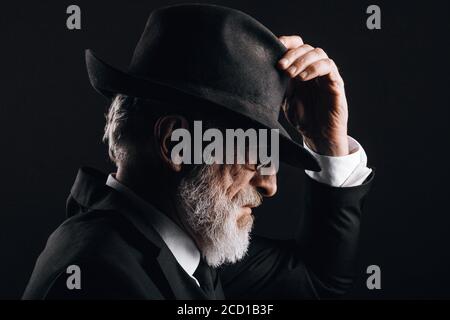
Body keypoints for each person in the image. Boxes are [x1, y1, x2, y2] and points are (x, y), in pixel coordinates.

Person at [23, 3, 373, 300]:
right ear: (175, 144)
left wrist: (328, 142)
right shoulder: (101, 278)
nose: (270, 184)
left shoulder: (169, 245)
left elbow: (316, 283)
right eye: (255, 152)